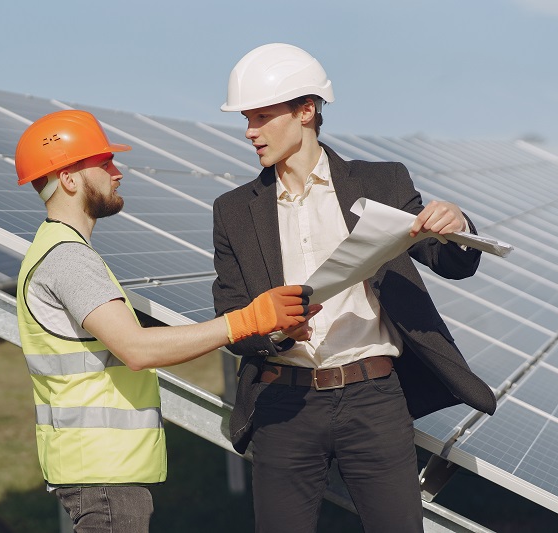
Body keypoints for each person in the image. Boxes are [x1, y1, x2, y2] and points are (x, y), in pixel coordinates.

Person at [212, 43, 497, 532]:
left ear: (306, 111)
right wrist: (276, 332)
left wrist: (457, 223)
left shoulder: (382, 180)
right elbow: (232, 316)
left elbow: (448, 261)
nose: (249, 131)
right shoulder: (234, 210)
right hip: (284, 405)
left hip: (374, 399)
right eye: (246, 118)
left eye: (261, 116)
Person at [14, 109, 315, 533]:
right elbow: (136, 349)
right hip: (102, 473)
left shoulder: (58, 250)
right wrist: (246, 320)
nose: (117, 172)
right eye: (104, 163)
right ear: (68, 178)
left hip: (99, 468)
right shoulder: (68, 259)